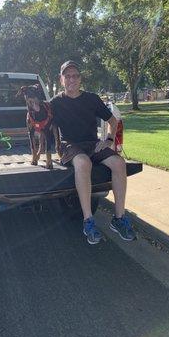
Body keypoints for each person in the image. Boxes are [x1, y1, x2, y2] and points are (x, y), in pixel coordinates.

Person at [50, 60, 136, 245]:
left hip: (93, 144)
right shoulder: (55, 103)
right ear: (61, 79)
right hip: (70, 145)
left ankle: (119, 218)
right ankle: (88, 220)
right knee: (83, 162)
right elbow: (43, 123)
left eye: (75, 76)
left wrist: (109, 140)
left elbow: (114, 121)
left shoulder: (92, 99)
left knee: (119, 163)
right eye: (68, 76)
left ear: (80, 79)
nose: (72, 79)